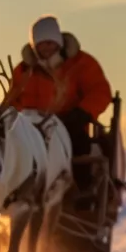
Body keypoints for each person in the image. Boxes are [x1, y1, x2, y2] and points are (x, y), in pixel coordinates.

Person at [9, 15, 112, 197]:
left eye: (51, 43)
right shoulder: (23, 70)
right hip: (31, 125)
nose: (47, 48)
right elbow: (14, 100)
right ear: (35, 46)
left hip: (69, 121)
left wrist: (82, 113)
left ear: (59, 42)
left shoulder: (81, 63)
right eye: (42, 44)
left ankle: (84, 190)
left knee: (78, 145)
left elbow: (100, 91)